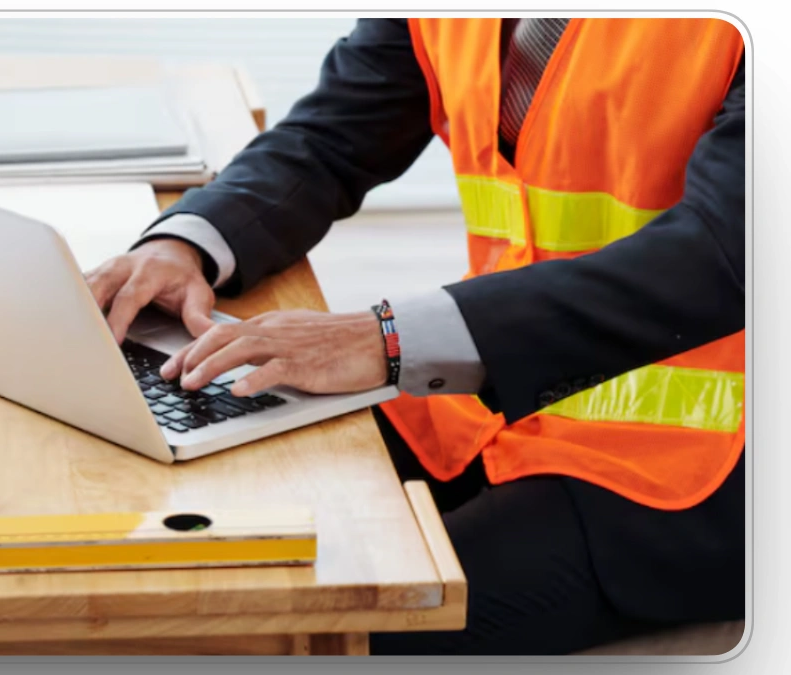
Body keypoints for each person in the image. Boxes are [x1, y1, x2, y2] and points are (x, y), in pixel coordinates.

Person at [86, 18, 746, 654]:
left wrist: (382, 340)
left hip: (692, 468)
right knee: (198, 528)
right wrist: (184, 243)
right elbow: (331, 137)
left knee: (339, 621)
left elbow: (724, 252)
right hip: (485, 402)